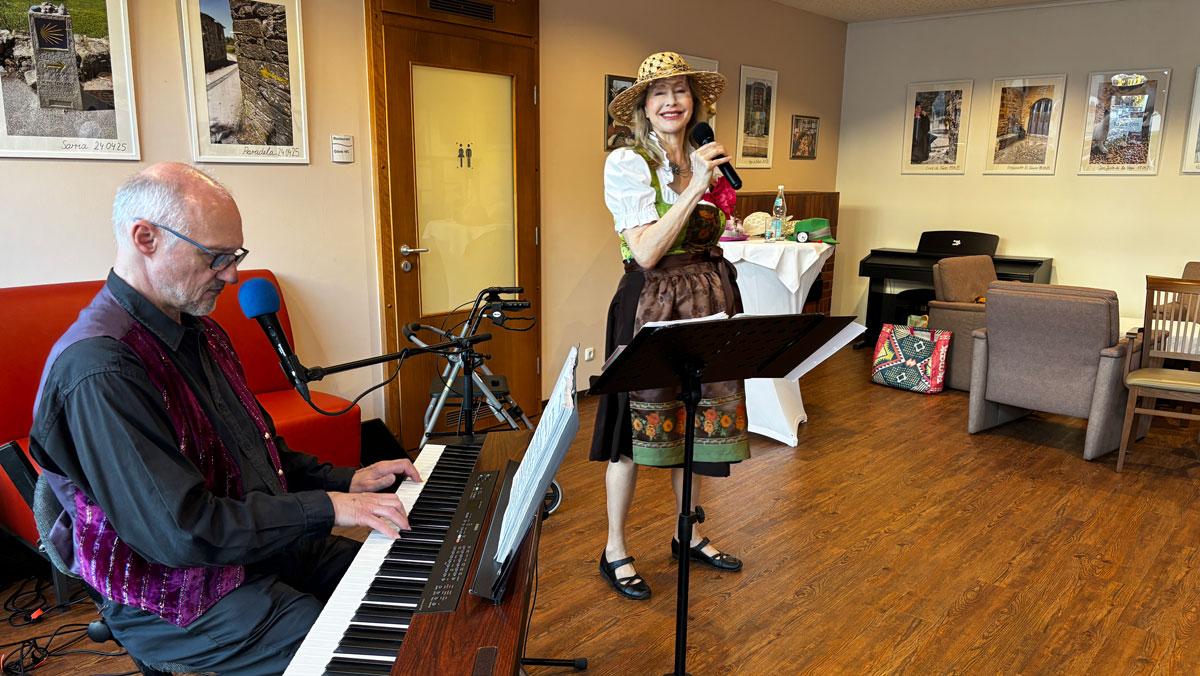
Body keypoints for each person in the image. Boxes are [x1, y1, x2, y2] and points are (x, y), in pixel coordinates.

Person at [28, 163, 421, 675]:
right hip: (170, 595)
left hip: (248, 548)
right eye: (215, 257)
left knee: (408, 587)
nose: (232, 275)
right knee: (354, 657)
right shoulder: (102, 369)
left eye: (234, 256)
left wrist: (346, 479)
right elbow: (181, 532)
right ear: (145, 238)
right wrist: (329, 506)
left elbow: (259, 451)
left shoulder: (202, 332)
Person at [590, 52, 750, 601]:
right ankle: (614, 549)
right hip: (651, 303)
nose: (671, 102)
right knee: (632, 435)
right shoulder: (628, 163)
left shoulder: (703, 156)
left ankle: (690, 533)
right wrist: (695, 185)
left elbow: (706, 234)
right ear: (643, 107)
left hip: (707, 298)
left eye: (680, 91)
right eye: (659, 94)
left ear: (694, 101)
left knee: (697, 426)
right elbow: (649, 251)